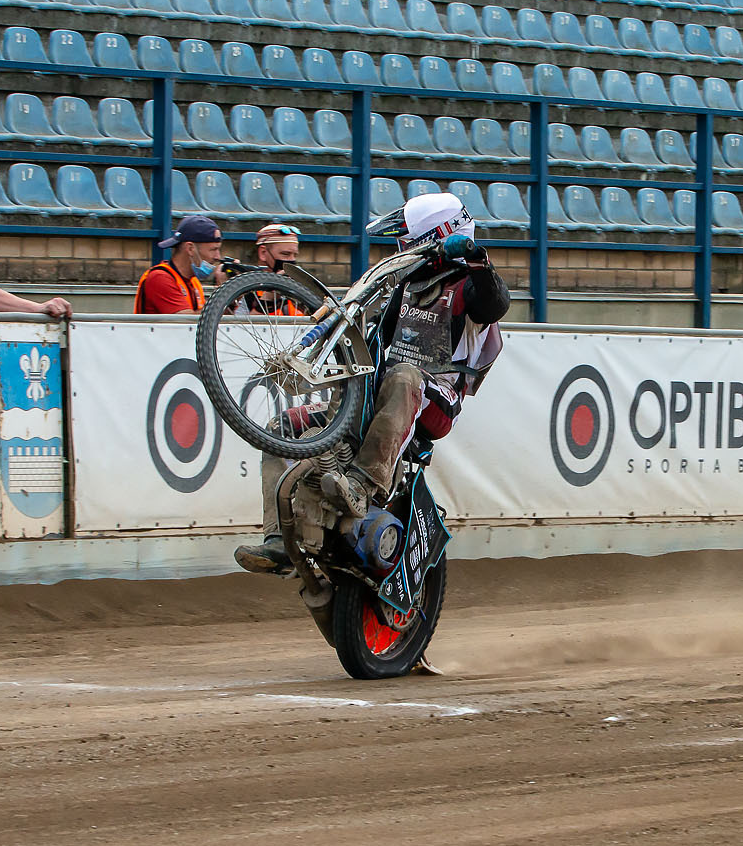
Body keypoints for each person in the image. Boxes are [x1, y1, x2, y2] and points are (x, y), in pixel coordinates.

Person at [237, 193, 508, 606]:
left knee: (402, 375)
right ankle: (278, 538)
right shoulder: (403, 286)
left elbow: (495, 300)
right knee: (285, 426)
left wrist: (475, 258)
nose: (401, 249)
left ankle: (364, 485)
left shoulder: (469, 288)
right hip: (380, 395)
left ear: (439, 237)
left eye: (408, 241)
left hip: (433, 397)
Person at [135, 212, 224, 314]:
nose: (218, 257)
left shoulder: (193, 282)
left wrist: (232, 296)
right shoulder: (159, 278)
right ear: (190, 248)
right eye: (213, 250)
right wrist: (223, 294)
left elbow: (212, 325)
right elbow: (186, 323)